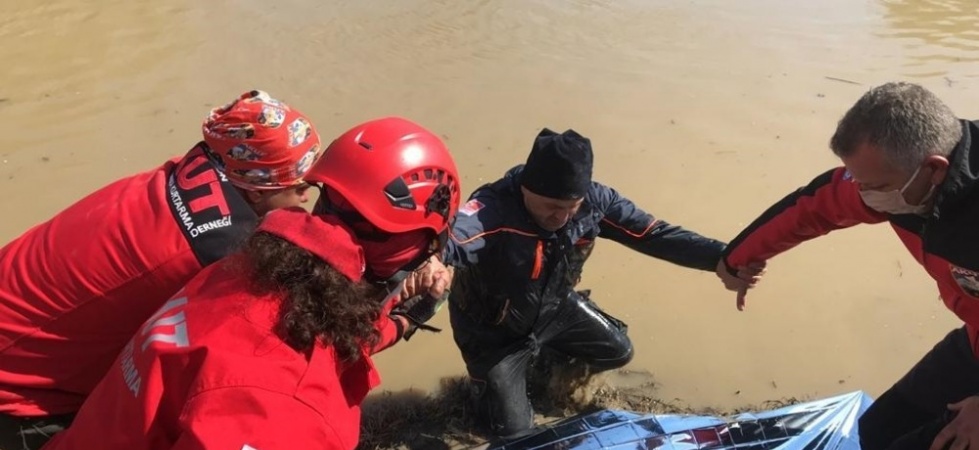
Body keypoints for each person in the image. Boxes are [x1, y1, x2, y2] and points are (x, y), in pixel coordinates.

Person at [40, 116, 462, 450]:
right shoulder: (291, 410)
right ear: (418, 248)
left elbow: (322, 333)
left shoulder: (243, 268)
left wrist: (406, 318)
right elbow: (281, 375)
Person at [0, 90, 325, 449]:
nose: (306, 195)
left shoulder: (195, 166)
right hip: (15, 388)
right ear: (258, 191)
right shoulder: (219, 251)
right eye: (299, 184)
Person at [716, 82, 979, 449]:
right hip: (974, 339)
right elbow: (817, 207)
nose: (864, 194)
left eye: (875, 185)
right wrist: (736, 260)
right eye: (860, 181)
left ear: (934, 170)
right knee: (878, 432)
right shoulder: (903, 186)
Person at [442, 128, 745, 439]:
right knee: (515, 435)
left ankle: (542, 364)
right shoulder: (492, 208)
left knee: (618, 351)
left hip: (554, 308)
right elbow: (448, 240)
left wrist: (724, 258)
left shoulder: (597, 203)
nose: (560, 217)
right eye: (550, 206)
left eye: (570, 207)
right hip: (493, 334)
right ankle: (488, 391)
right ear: (525, 189)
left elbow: (654, 234)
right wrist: (431, 264)